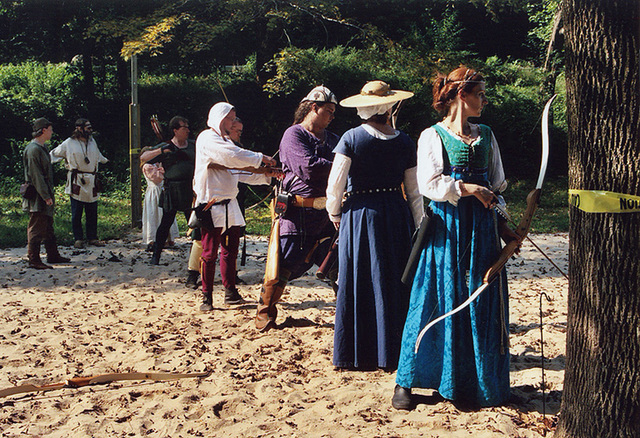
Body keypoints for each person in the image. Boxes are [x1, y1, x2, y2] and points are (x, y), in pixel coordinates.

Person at [393, 66, 519, 410]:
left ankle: (478, 383)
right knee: (436, 299)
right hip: (446, 231)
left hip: (481, 231)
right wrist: (466, 188)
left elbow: (498, 184)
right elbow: (430, 186)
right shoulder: (432, 136)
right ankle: (407, 381)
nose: (484, 99)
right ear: (461, 95)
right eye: (479, 93)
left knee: (481, 300)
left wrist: (504, 222)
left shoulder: (487, 135)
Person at [326, 80, 423, 370]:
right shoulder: (405, 140)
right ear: (389, 106)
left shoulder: (352, 138)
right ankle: (392, 353)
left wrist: (335, 214)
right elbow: (415, 192)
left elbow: (335, 184)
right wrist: (417, 225)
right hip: (395, 214)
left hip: (360, 215)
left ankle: (357, 353)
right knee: (391, 280)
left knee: (359, 279)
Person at [255, 85, 340, 331]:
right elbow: (309, 169)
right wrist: (339, 165)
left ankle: (349, 315)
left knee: (338, 267)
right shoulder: (293, 135)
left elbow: (341, 168)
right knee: (280, 267)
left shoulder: (333, 139)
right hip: (296, 215)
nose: (332, 116)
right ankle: (265, 314)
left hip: (326, 217)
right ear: (314, 108)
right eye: (328, 111)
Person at [194, 102, 282, 311]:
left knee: (230, 251)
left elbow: (238, 171)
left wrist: (265, 175)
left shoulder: (226, 143)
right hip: (211, 204)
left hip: (229, 204)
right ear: (220, 118)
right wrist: (261, 159)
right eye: (230, 119)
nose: (233, 123)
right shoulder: (208, 138)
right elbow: (234, 157)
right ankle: (206, 296)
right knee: (209, 254)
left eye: (234, 119)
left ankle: (230, 292)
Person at [140, 116, 195, 265]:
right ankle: (155, 256)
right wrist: (162, 150)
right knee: (165, 223)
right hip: (172, 188)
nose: (188, 130)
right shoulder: (166, 146)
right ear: (175, 130)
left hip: (190, 188)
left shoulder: (193, 146)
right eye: (184, 127)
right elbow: (144, 157)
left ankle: (199, 256)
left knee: (195, 223)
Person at [50, 118, 108, 248]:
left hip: (91, 180)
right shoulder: (69, 143)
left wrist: (106, 161)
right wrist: (42, 160)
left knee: (92, 211)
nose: (90, 130)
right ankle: (78, 239)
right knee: (77, 212)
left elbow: (99, 157)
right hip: (77, 180)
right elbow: (54, 154)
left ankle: (92, 237)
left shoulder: (92, 142)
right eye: (87, 127)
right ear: (79, 128)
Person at [22, 118, 71, 269]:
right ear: (43, 130)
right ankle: (34, 259)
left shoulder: (41, 148)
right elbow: (36, 176)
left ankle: (53, 255)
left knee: (48, 224)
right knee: (36, 225)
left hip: (43, 192)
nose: (51, 132)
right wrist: (46, 196)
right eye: (50, 129)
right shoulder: (33, 149)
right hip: (37, 195)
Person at [140, 146, 179, 251]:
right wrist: (162, 172)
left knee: (165, 214)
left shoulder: (158, 164)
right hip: (154, 192)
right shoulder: (147, 166)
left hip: (163, 190)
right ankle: (155, 239)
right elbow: (157, 179)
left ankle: (170, 238)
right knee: (155, 214)